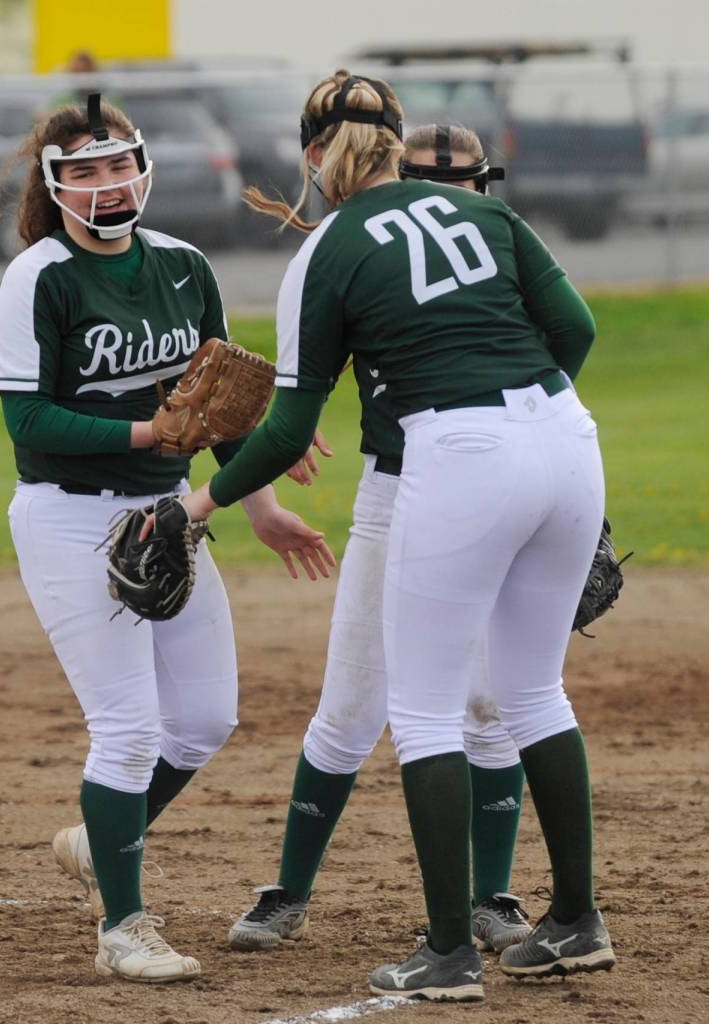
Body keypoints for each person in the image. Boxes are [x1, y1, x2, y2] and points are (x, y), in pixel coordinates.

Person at [153, 70, 615, 1001]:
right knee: (532, 694)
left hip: (457, 455)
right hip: (567, 438)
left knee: (426, 712)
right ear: (399, 150)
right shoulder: (487, 217)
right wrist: (519, 407)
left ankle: (446, 954)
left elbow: (286, 429)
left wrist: (196, 507)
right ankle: (576, 921)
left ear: (315, 159)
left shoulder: (325, 247)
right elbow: (574, 326)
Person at [0, 94, 333, 984]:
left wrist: (253, 502)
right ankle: (123, 925)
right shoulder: (40, 275)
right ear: (55, 185)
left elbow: (214, 402)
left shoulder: (183, 264)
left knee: (206, 716)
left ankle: (94, 842)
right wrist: (149, 437)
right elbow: (28, 421)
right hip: (70, 513)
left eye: (118, 166)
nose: (107, 185)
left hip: (172, 512)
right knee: (129, 727)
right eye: (85, 172)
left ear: (144, 168)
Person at [226, 124, 532, 959]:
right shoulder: (367, 249)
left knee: (490, 704)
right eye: (428, 177)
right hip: (400, 491)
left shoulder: (499, 244)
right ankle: (289, 890)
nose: (443, 193)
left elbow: (556, 360)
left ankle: (490, 896)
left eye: (458, 180)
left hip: (497, 489)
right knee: (352, 704)